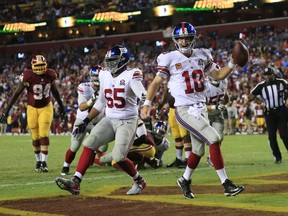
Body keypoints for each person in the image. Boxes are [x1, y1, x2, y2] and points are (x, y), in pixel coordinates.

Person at [141, 22, 244, 199]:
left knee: (198, 151)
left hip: (200, 106)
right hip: (184, 109)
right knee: (214, 138)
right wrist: (147, 103)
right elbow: (156, 82)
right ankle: (226, 184)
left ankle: (185, 180)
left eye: (187, 37)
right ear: (175, 40)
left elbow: (218, 75)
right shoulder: (169, 57)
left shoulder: (202, 54)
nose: (184, 41)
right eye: (180, 38)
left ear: (193, 38)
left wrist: (232, 63)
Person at [55, 45, 147, 195]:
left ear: (123, 60)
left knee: (118, 157)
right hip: (109, 119)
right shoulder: (104, 75)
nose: (109, 64)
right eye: (108, 60)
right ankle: (75, 182)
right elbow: (100, 103)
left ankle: (139, 181)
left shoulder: (132, 75)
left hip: (127, 120)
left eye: (113, 60)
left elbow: (140, 91)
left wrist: (144, 97)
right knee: (89, 143)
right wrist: (85, 122)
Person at [0, 55, 66, 172]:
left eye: (42, 65)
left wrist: (62, 107)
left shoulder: (50, 74)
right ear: (33, 66)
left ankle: (44, 162)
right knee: (35, 136)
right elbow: (16, 94)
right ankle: (38, 161)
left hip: (46, 106)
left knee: (44, 133)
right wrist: (6, 111)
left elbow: (55, 92)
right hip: (32, 108)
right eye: (38, 66)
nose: (40, 68)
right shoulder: (28, 76)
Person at [60, 65, 107, 176]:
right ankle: (66, 165)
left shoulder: (107, 87)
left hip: (97, 122)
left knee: (103, 145)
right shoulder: (84, 87)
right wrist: (92, 99)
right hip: (82, 121)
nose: (98, 79)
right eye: (96, 77)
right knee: (75, 146)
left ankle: (91, 157)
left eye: (99, 76)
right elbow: (82, 107)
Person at [248, 66, 288, 164]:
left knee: (284, 135)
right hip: (269, 113)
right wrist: (256, 100)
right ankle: (277, 158)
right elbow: (250, 96)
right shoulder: (261, 85)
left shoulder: (282, 82)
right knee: (272, 137)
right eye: (266, 75)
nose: (268, 77)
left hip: (281, 111)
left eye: (269, 74)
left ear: (273, 74)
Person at [98, 118, 169, 169]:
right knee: (108, 161)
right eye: (158, 131)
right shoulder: (145, 133)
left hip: (138, 148)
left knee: (118, 159)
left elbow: (159, 152)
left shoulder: (164, 143)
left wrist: (158, 160)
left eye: (162, 132)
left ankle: (136, 163)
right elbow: (139, 140)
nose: (159, 134)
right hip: (132, 146)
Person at [157, 90, 190, 168]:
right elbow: (167, 92)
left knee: (184, 134)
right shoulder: (170, 79)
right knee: (176, 134)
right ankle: (179, 159)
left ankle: (188, 159)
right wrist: (161, 104)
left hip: (183, 106)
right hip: (172, 108)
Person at [205, 76, 229, 167]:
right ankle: (189, 158)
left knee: (219, 137)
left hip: (217, 114)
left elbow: (226, 98)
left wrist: (222, 104)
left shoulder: (223, 82)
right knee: (199, 140)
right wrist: (214, 107)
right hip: (204, 115)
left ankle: (212, 157)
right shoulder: (204, 85)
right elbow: (200, 105)